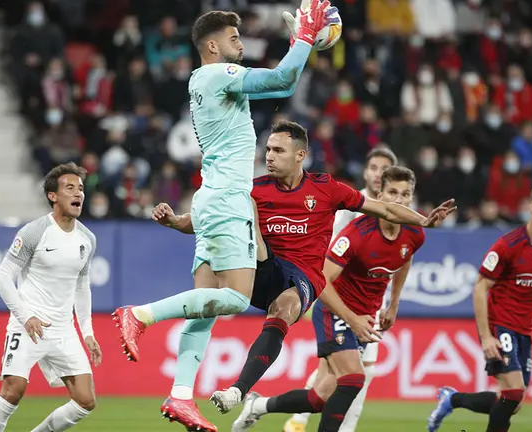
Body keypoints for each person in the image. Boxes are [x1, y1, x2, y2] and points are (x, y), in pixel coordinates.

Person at [111, 4, 336, 430]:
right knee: (234, 299)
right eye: (234, 39)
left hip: (209, 197)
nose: (241, 44)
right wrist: (306, 35)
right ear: (212, 45)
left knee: (206, 312)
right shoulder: (217, 75)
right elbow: (282, 80)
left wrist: (297, 44)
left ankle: (180, 395)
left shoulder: (204, 82)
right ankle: (140, 315)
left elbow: (276, 81)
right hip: (230, 199)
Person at [153, 121, 454, 423]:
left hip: (303, 278)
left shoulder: (327, 189)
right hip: (265, 269)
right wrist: (176, 221)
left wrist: (424, 221)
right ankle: (243, 257)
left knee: (286, 311)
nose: (269, 155)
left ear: (300, 155)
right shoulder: (256, 188)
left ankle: (238, 391)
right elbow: (209, 217)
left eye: (278, 150)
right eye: (268, 149)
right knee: (243, 205)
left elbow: (385, 209)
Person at [231, 166, 424, 432]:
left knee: (319, 397)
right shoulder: (357, 234)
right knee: (354, 378)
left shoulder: (414, 234)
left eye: (405, 195)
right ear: (381, 195)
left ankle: (258, 406)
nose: (399, 200)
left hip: (365, 318)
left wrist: (394, 303)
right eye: (393, 193)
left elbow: (404, 259)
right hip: (337, 311)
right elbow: (323, 282)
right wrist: (352, 319)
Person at [427, 182, 532, 432]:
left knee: (513, 401)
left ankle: (452, 399)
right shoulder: (509, 245)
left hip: (524, 329)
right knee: (514, 393)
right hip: (500, 324)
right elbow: (480, 287)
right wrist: (485, 337)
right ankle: (453, 399)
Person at [0, 163, 102, 432]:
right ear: (53, 196)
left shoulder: (87, 239)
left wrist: (88, 332)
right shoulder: (34, 232)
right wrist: (26, 317)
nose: (78, 194)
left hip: (63, 329)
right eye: (69, 188)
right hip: (28, 327)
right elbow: (2, 277)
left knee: (85, 400)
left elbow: (82, 287)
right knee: (13, 391)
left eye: (80, 189)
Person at [284, 148, 397, 432]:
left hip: (370, 302)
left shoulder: (397, 210)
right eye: (373, 167)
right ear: (366, 172)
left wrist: (392, 302)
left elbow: (399, 260)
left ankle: (296, 421)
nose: (377, 173)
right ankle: (316, 424)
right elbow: (329, 254)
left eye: (384, 168)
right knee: (355, 372)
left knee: (335, 371)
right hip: (338, 296)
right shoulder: (350, 204)